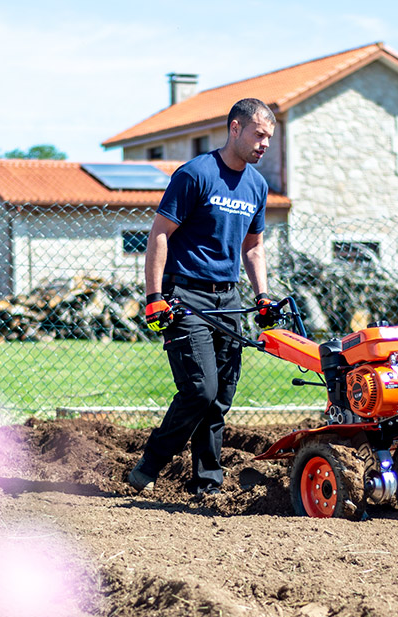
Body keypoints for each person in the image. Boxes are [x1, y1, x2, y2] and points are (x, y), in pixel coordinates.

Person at [127, 98, 281, 496]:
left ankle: (207, 483)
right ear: (235, 128)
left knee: (221, 396)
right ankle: (150, 465)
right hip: (186, 296)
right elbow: (159, 234)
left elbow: (253, 248)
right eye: (258, 134)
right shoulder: (195, 174)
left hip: (228, 299)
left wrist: (262, 295)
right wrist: (154, 296)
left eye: (269, 138)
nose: (264, 144)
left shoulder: (257, 185)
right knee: (199, 390)